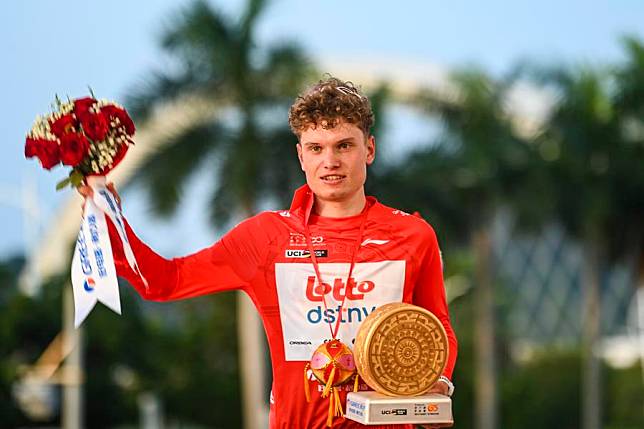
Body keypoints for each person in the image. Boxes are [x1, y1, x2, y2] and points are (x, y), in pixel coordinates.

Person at [81, 76, 457, 428]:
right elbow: (165, 282)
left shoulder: (412, 234)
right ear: (301, 156)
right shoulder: (265, 237)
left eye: (344, 145)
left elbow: (439, 330)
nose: (331, 161)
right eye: (316, 148)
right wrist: (111, 225)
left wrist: (438, 383)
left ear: (369, 149)